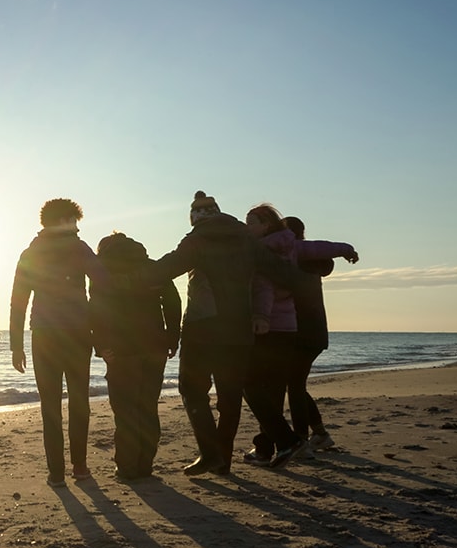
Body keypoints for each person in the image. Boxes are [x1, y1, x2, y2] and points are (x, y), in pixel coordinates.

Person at [128, 191, 307, 476]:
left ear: (196, 219)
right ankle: (279, 441)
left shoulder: (198, 239)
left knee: (191, 389)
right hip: (239, 328)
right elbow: (284, 275)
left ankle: (212, 453)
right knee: (233, 393)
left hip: (204, 327)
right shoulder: (247, 239)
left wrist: (128, 275)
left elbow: (165, 269)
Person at [9, 198, 108, 487]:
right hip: (77, 334)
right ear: (64, 220)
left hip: (44, 335)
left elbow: (18, 302)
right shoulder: (79, 247)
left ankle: (56, 473)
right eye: (73, 220)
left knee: (49, 405)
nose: (76, 226)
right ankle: (80, 467)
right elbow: (103, 282)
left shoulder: (31, 252)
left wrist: (16, 344)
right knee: (79, 402)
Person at [89, 232, 181, 481]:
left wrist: (101, 344)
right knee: (148, 407)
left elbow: (96, 310)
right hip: (154, 346)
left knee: (125, 410)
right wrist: (172, 338)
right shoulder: (152, 267)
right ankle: (145, 465)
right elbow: (173, 302)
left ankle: (127, 468)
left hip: (121, 349)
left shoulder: (102, 271)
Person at [283, 215, 358, 451]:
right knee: (295, 384)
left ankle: (302, 439)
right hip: (314, 332)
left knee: (293, 385)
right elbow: (326, 250)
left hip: (300, 332)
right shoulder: (312, 260)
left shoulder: (295, 258)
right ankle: (318, 434)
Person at [242, 203, 306, 468]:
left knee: (251, 386)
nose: (247, 228)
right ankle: (267, 448)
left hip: (268, 329)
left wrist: (261, 318)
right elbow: (320, 248)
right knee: (273, 391)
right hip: (290, 328)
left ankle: (287, 440)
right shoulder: (293, 244)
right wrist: (346, 250)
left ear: (266, 225)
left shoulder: (261, 251)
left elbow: (265, 288)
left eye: (251, 223)